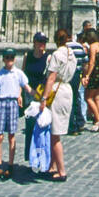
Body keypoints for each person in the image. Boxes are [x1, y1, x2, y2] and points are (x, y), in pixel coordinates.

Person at [41, 29, 78, 181]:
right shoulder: (71, 54)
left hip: (57, 90)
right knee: (54, 131)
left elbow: (51, 78)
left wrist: (44, 98)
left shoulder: (57, 54)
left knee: (55, 134)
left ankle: (62, 170)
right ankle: (52, 166)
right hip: (67, 88)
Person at [0, 48, 30, 180]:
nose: (9, 60)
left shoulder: (18, 73)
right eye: (7, 58)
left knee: (12, 136)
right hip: (1, 102)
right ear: (3, 59)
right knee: (0, 136)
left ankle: (11, 165)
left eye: (11, 58)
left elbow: (25, 86)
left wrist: (38, 95)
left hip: (13, 104)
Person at [82, 29, 99, 130]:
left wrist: (87, 75)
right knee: (97, 97)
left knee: (88, 97)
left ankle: (98, 120)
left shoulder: (92, 47)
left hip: (94, 73)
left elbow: (91, 62)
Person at [65, 32, 88, 135]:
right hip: (77, 74)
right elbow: (85, 63)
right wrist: (84, 75)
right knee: (76, 97)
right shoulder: (80, 47)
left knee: (69, 99)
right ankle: (80, 122)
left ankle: (72, 125)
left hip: (68, 74)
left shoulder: (65, 47)